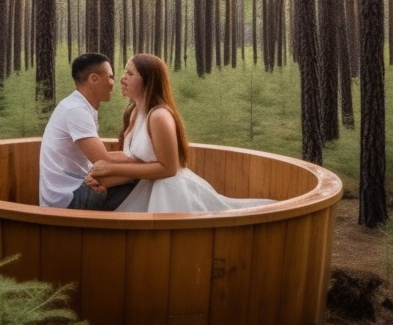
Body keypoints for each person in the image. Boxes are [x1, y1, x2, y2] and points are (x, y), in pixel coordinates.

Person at [87, 53, 271, 213]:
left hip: (168, 193)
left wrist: (111, 169)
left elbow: (169, 168)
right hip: (145, 190)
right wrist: (99, 173)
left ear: (148, 80)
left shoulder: (159, 115)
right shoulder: (133, 111)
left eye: (130, 73)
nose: (122, 78)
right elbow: (134, 159)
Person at [38, 52, 139, 210]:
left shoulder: (78, 105)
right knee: (143, 184)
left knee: (138, 179)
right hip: (66, 200)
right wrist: (146, 170)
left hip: (72, 189)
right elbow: (103, 161)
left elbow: (103, 160)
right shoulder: (76, 110)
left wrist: (139, 163)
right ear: (94, 79)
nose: (114, 82)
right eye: (110, 77)